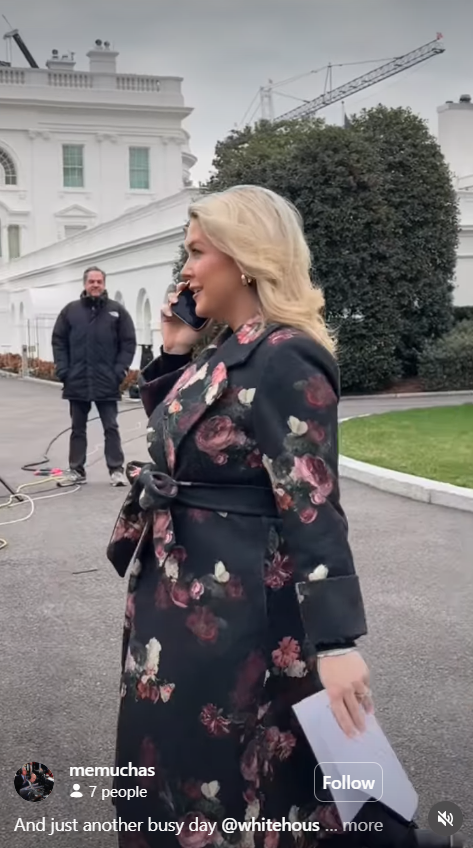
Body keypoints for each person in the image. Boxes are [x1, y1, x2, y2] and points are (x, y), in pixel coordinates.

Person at [107, 186, 448, 848]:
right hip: (179, 602)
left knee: (242, 783)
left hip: (237, 616)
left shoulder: (285, 354)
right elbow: (181, 439)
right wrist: (176, 350)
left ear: (243, 259)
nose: (185, 268)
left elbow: (311, 500)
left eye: (197, 252)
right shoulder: (226, 347)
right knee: (176, 768)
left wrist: (336, 641)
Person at [51, 266, 136, 486]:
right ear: (85, 284)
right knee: (77, 428)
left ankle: (116, 470)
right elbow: (58, 341)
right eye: (92, 281)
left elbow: (128, 343)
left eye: (99, 281)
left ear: (104, 284)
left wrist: (120, 370)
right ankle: (76, 471)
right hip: (77, 380)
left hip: (107, 380)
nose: (95, 285)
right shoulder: (70, 311)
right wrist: (63, 370)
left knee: (111, 427)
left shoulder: (116, 311)